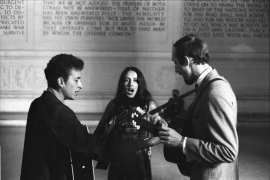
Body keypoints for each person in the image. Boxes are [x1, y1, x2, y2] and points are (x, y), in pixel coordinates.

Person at [159, 35, 239, 180]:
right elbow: (191, 117)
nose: (176, 69)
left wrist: (181, 142)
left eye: (175, 63)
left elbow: (228, 151)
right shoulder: (205, 86)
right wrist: (162, 123)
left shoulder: (215, 92)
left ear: (186, 61)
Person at [20, 54, 104, 180]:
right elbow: (85, 144)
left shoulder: (38, 103)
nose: (80, 85)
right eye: (76, 80)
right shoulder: (59, 112)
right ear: (61, 82)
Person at [94, 67, 167, 180]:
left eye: (135, 80)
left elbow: (160, 132)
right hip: (118, 161)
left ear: (140, 84)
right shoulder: (114, 105)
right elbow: (98, 131)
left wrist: (144, 143)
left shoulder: (149, 105)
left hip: (141, 161)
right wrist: (102, 151)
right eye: (126, 80)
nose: (130, 84)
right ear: (122, 84)